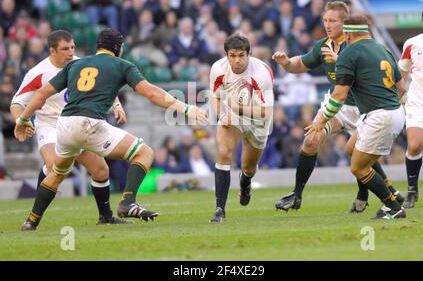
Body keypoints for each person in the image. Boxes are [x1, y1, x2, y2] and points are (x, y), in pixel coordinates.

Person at [15, 28, 208, 230]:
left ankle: (31, 221)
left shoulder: (76, 64)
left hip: (65, 125)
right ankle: (127, 202)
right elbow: (151, 93)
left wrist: (23, 119)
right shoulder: (122, 65)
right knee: (144, 153)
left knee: (59, 172)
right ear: (118, 47)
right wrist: (185, 108)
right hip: (89, 123)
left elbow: (41, 94)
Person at [272, 1, 404, 214]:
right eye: (325, 20)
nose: (327, 24)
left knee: (357, 155)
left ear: (346, 23)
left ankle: (373, 196)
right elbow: (302, 64)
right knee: (311, 141)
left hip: (361, 107)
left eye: (332, 20)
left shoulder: (354, 47)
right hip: (338, 106)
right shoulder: (323, 46)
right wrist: (286, 63)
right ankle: (296, 195)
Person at [10, 30, 131, 225]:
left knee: (101, 170)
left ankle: (105, 218)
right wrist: (21, 121)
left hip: (77, 123)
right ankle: (32, 220)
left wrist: (116, 104)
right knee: (55, 168)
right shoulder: (38, 73)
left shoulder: (81, 63)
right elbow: (17, 103)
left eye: (72, 47)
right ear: (52, 51)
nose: (70, 52)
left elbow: (103, 82)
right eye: (65, 49)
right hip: (50, 126)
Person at [306, 15, 407, 219]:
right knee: (351, 149)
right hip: (392, 112)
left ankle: (393, 206)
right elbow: (402, 88)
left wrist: (320, 121)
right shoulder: (383, 48)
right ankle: (392, 194)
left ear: (349, 33)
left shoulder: (348, 53)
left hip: (380, 115)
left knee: (359, 168)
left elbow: (339, 95)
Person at [209, 33, 274, 222]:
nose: (237, 61)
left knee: (249, 167)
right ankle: (219, 210)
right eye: (232, 55)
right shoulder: (218, 69)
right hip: (233, 115)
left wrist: (239, 107)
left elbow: (267, 112)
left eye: (241, 55)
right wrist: (222, 114)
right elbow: (217, 96)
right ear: (226, 55)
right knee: (224, 152)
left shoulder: (261, 73)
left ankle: (245, 182)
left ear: (249, 54)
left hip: (258, 120)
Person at [398, 6, 423, 208]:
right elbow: (402, 71)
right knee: (415, 144)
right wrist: (401, 94)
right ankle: (412, 191)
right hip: (418, 104)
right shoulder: (412, 44)